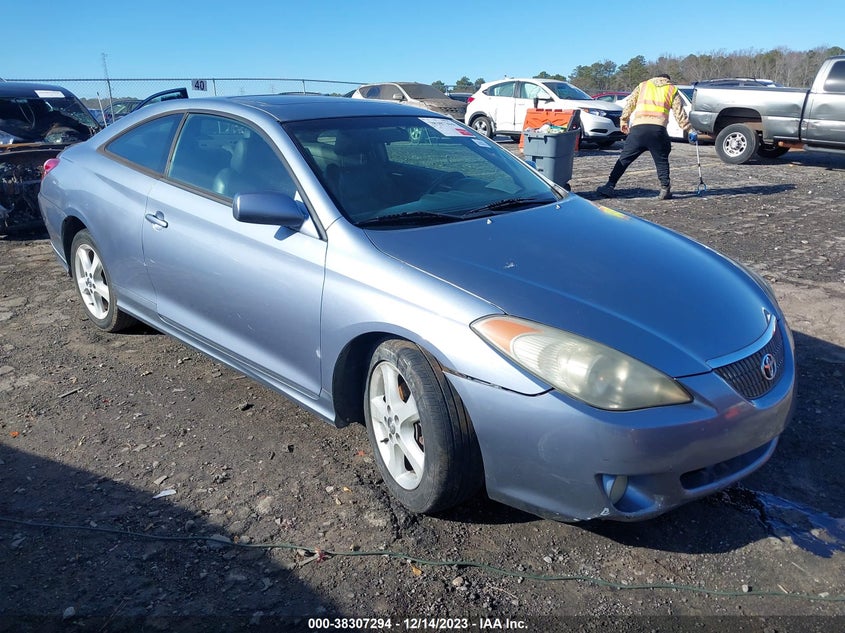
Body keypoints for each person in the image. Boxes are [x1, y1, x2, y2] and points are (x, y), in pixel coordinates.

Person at [596, 74, 691, 200]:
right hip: (658, 130)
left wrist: (623, 121)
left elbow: (630, 104)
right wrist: (689, 130)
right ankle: (665, 189)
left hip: (638, 129)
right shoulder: (671, 89)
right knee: (661, 160)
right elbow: (679, 113)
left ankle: (609, 186)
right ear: (668, 80)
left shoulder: (643, 85)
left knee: (624, 159)